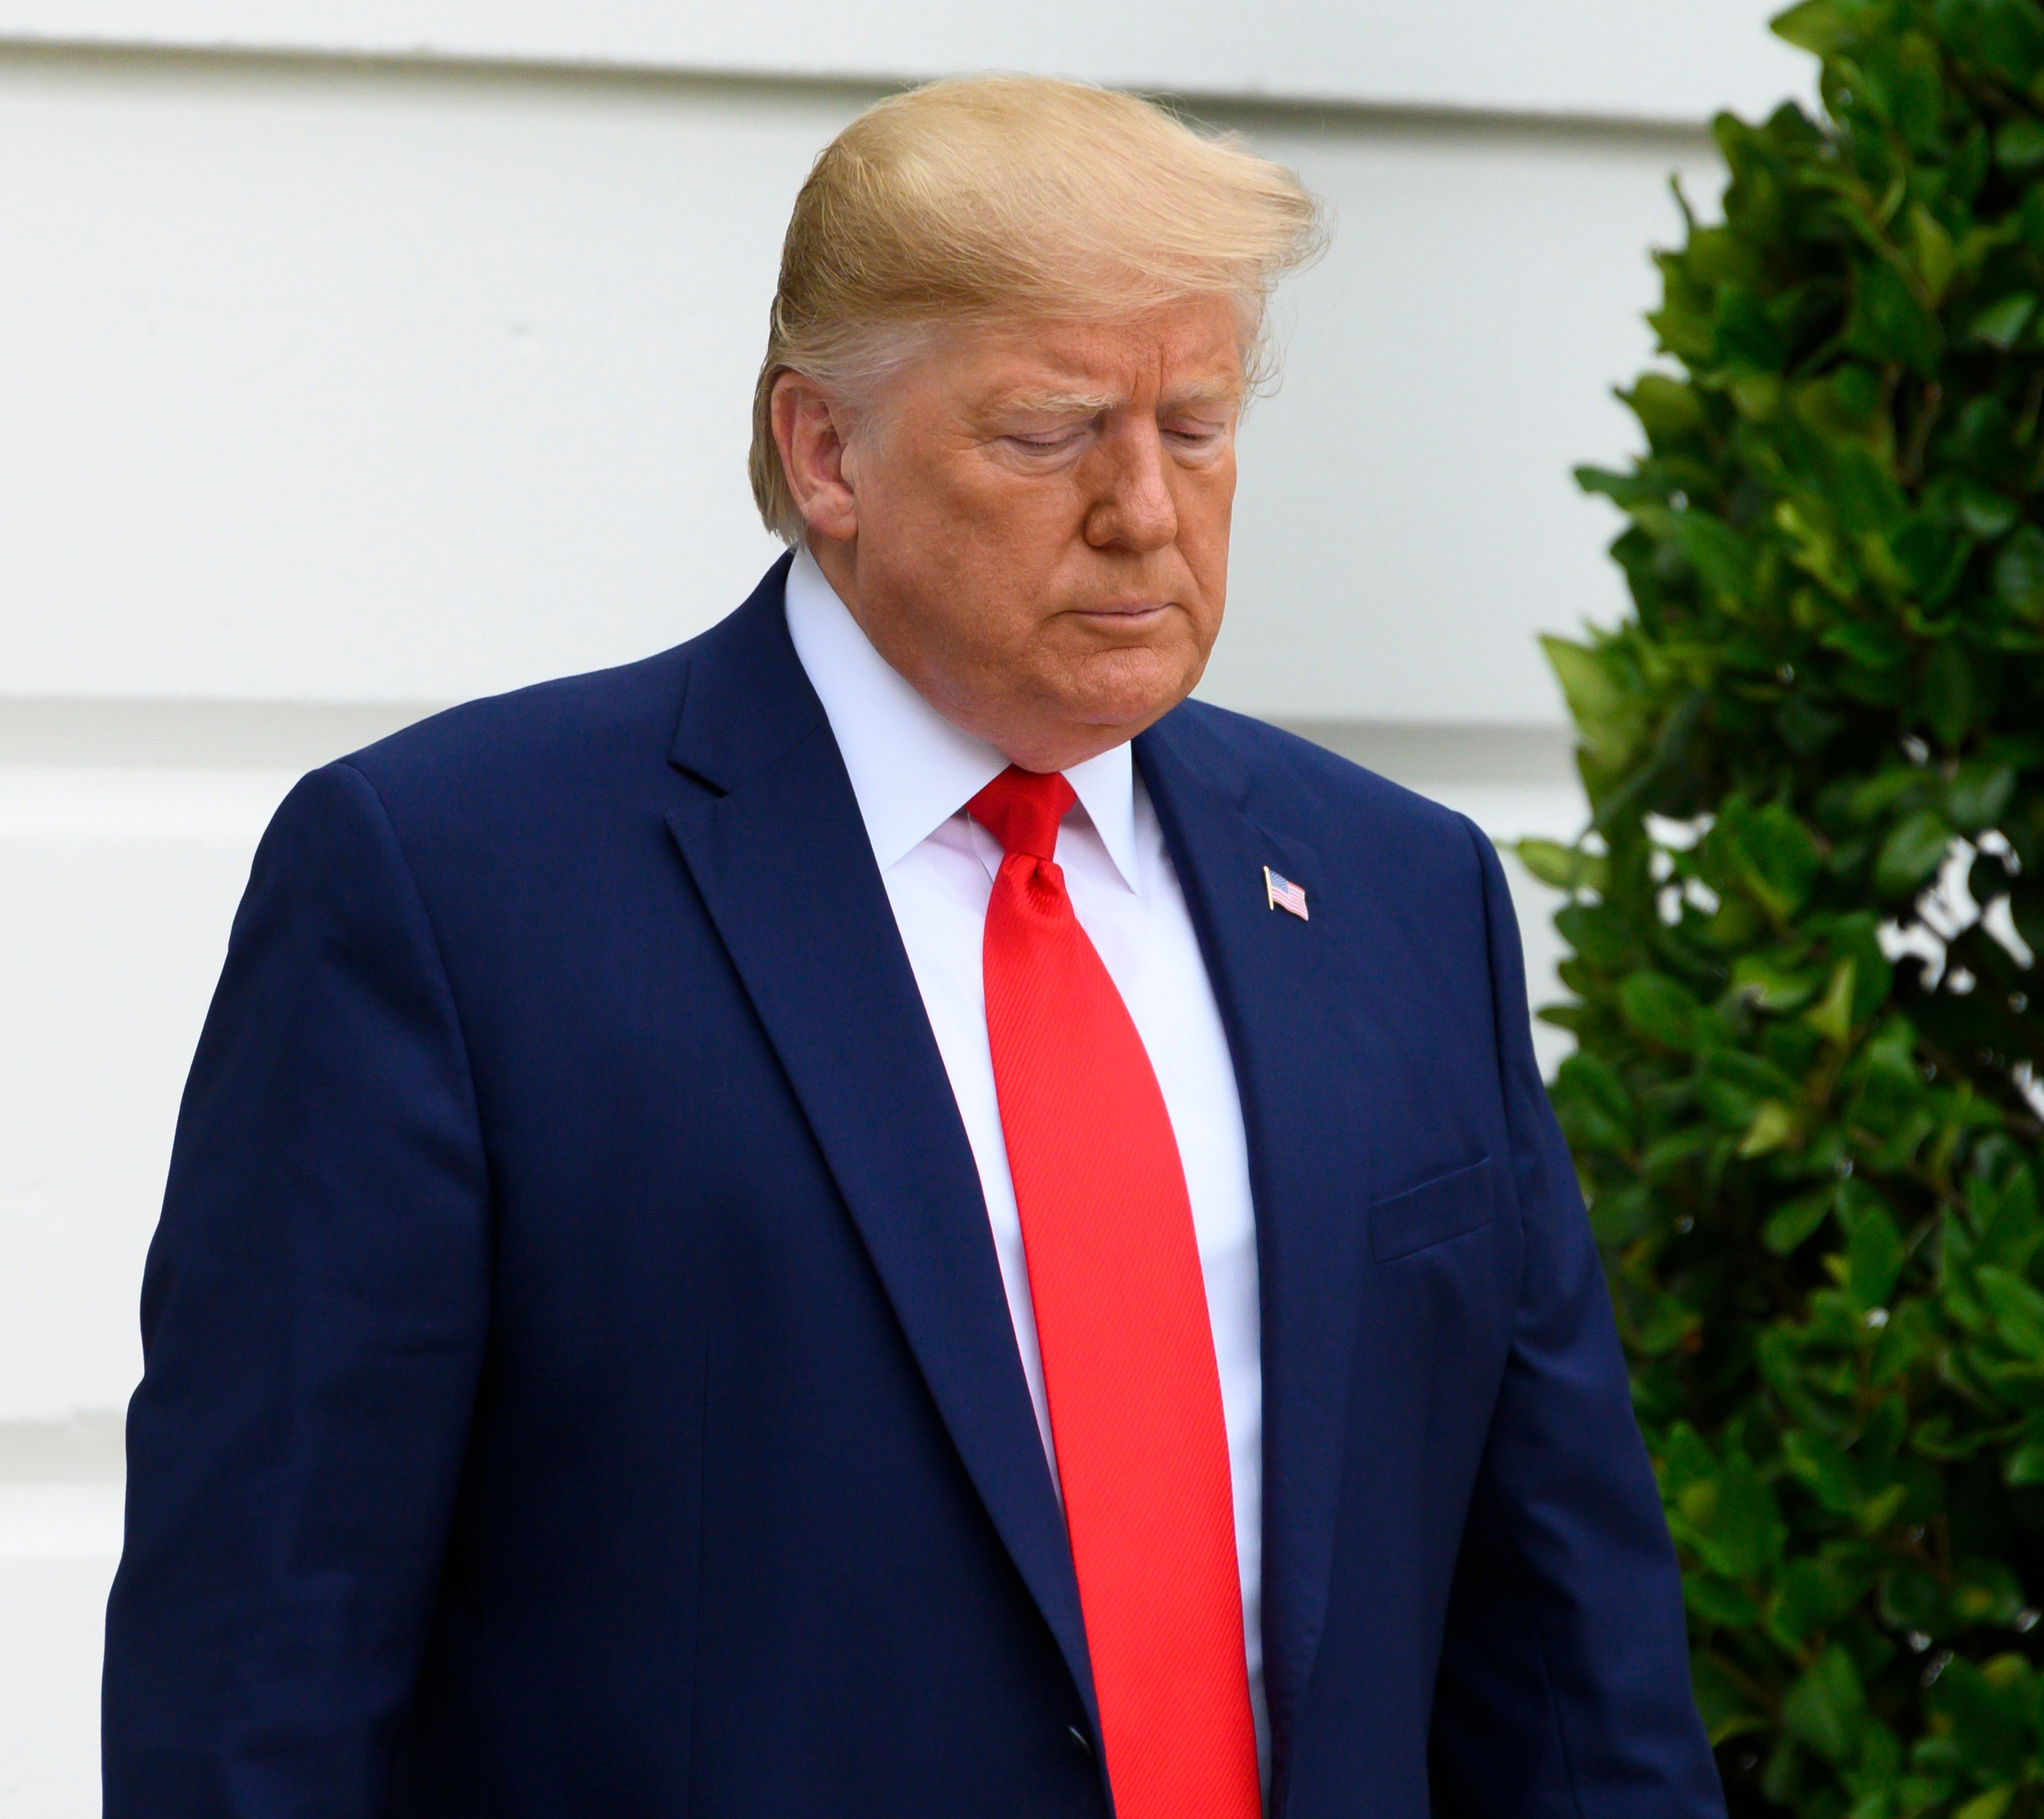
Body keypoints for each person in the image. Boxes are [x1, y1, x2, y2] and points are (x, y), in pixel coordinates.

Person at [102, 74, 1721, 1819]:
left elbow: (1568, 1651)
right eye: (1048, 433)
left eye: (1195, 425)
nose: (1144, 511)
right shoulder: (449, 892)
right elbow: (260, 1678)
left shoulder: (1401, 895)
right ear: (824, 452)